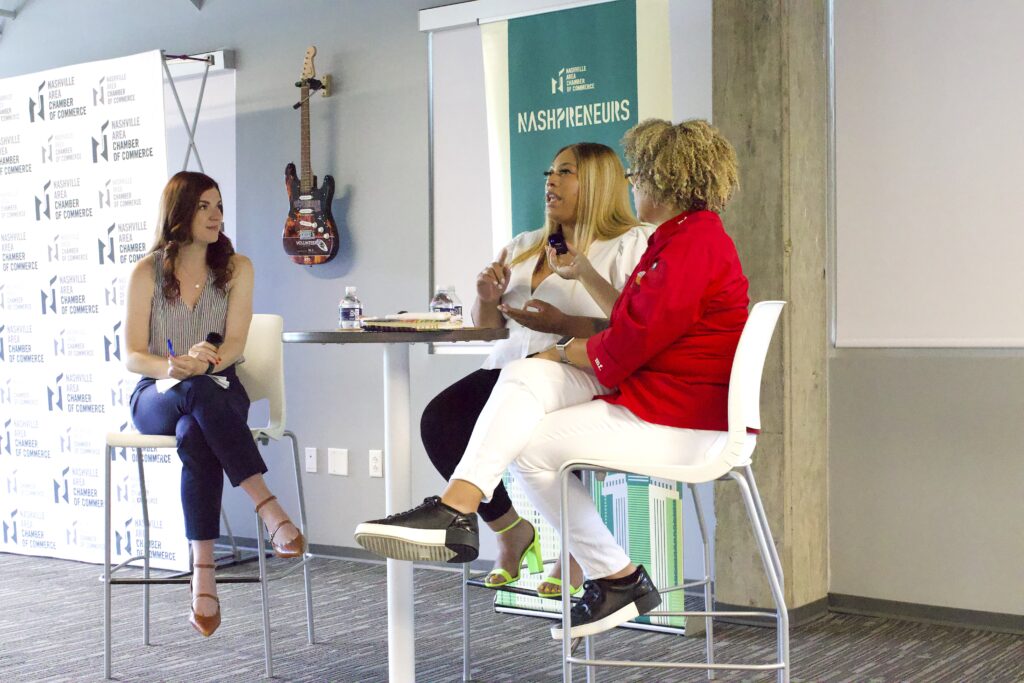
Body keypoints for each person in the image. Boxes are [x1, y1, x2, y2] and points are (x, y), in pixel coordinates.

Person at [356, 119, 749, 639]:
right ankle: (466, 511)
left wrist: (562, 349)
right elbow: (635, 321)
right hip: (658, 392)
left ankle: (607, 571)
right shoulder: (682, 239)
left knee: (532, 432)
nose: (634, 183)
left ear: (667, 180)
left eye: (641, 175)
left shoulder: (688, 245)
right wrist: (560, 339)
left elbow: (629, 344)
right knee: (524, 397)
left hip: (680, 414)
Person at [419, 142, 651, 597]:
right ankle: (509, 529)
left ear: (599, 183)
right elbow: (489, 330)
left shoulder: (630, 243)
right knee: (440, 420)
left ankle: (578, 551)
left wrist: (563, 325)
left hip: (581, 368)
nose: (550, 180)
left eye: (565, 172)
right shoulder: (524, 246)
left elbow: (636, 325)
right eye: (549, 171)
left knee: (551, 430)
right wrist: (486, 297)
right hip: (510, 367)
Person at [124, 171, 305, 638]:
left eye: (219, 205)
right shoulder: (146, 271)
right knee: (193, 400)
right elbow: (132, 355)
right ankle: (267, 507)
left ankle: (202, 573)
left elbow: (238, 342)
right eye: (204, 206)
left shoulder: (236, 268)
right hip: (157, 392)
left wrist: (207, 364)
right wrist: (175, 366)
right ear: (178, 212)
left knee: (196, 426)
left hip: (219, 387)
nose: (216, 215)